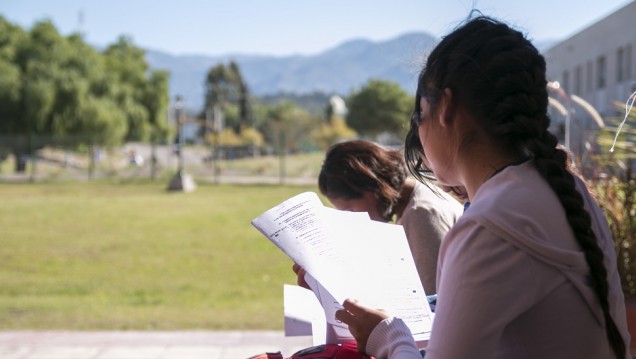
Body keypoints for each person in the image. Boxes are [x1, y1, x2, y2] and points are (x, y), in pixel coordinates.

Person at [335, 16, 632, 359]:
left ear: (445, 107)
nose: (418, 132)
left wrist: (386, 336)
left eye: (420, 113)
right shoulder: (560, 189)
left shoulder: (491, 226)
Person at [294, 139, 463, 296]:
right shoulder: (410, 205)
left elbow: (431, 299)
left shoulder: (421, 214)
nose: (352, 219)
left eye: (350, 210)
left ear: (371, 189)